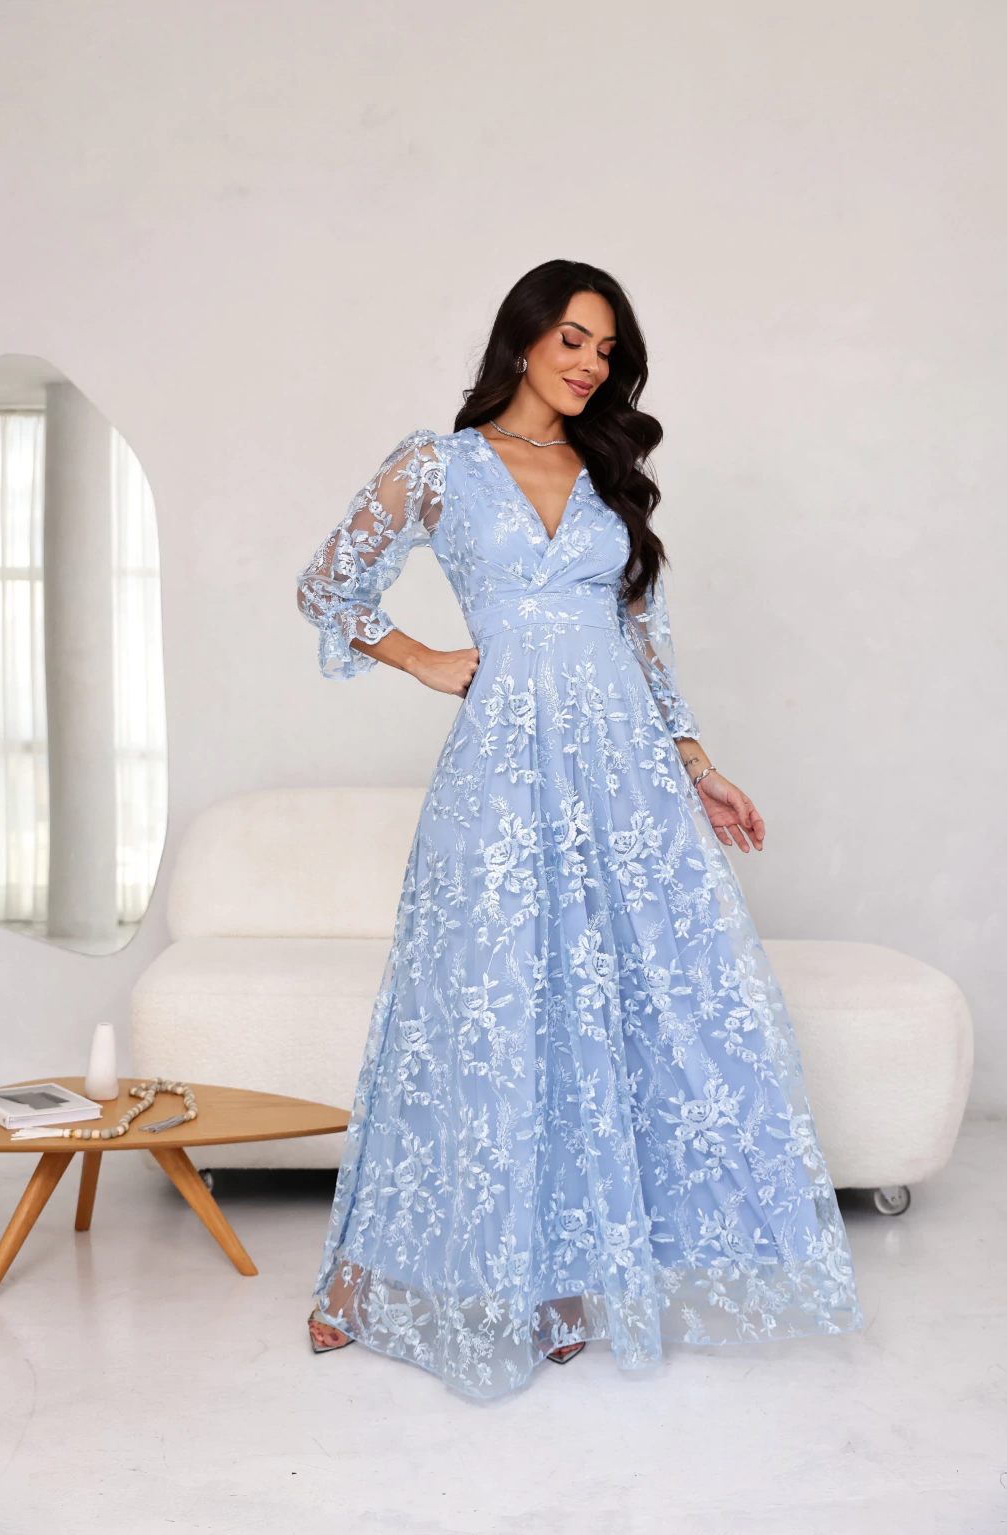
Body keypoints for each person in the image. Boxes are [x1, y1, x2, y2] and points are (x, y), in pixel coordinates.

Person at [296, 259, 862, 1398]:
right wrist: (422, 657)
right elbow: (326, 585)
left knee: (606, 1010)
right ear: (522, 339)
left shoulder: (609, 478)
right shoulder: (440, 465)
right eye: (572, 339)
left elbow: (644, 643)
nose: (590, 364)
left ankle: (559, 1279)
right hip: (502, 773)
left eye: (606, 350)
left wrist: (697, 765)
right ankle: (359, 1273)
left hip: (623, 780)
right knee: (468, 1011)